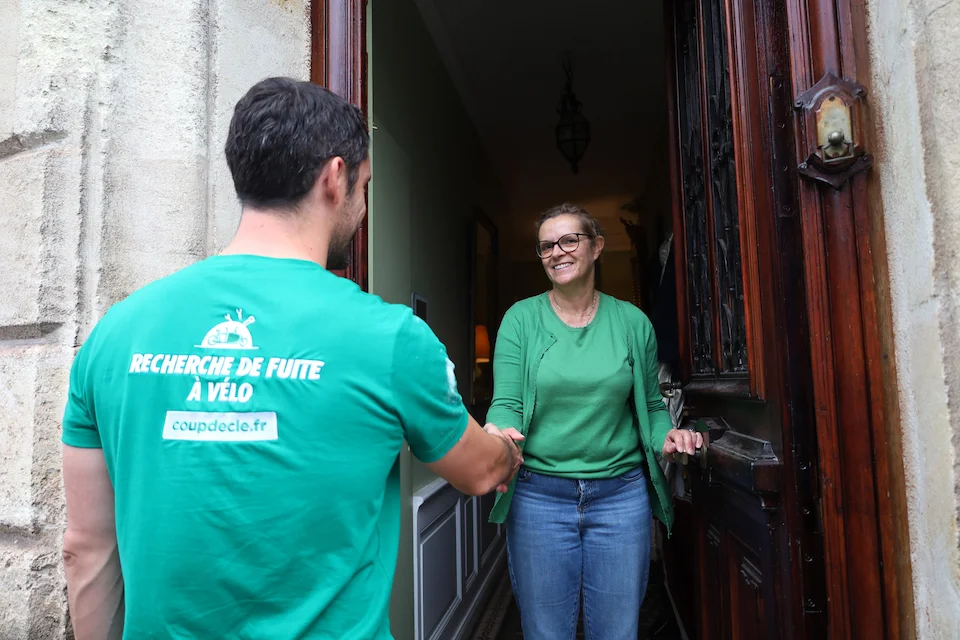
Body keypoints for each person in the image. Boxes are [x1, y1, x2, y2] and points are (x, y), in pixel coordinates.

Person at [60, 77, 523, 640]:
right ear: (335, 178)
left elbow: (86, 549)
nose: (362, 206)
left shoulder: (115, 334)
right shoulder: (393, 337)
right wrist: (504, 446)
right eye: (365, 186)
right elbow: (479, 472)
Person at [485, 203, 702, 640]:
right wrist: (497, 433)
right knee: (546, 633)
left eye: (569, 240)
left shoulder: (632, 323)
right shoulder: (520, 320)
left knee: (617, 632)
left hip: (619, 499)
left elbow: (653, 406)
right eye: (547, 245)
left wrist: (668, 437)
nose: (557, 252)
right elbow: (505, 402)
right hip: (538, 499)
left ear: (597, 246)